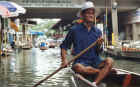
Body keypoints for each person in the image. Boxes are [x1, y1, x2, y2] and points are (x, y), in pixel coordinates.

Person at [60, 1, 113, 87]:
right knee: (77, 67)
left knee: (110, 61)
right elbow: (64, 46)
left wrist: (99, 45)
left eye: (92, 13)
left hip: (95, 61)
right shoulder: (74, 30)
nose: (91, 15)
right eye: (88, 13)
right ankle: (101, 73)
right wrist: (64, 60)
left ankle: (95, 83)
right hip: (81, 62)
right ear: (82, 15)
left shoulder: (98, 32)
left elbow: (98, 51)